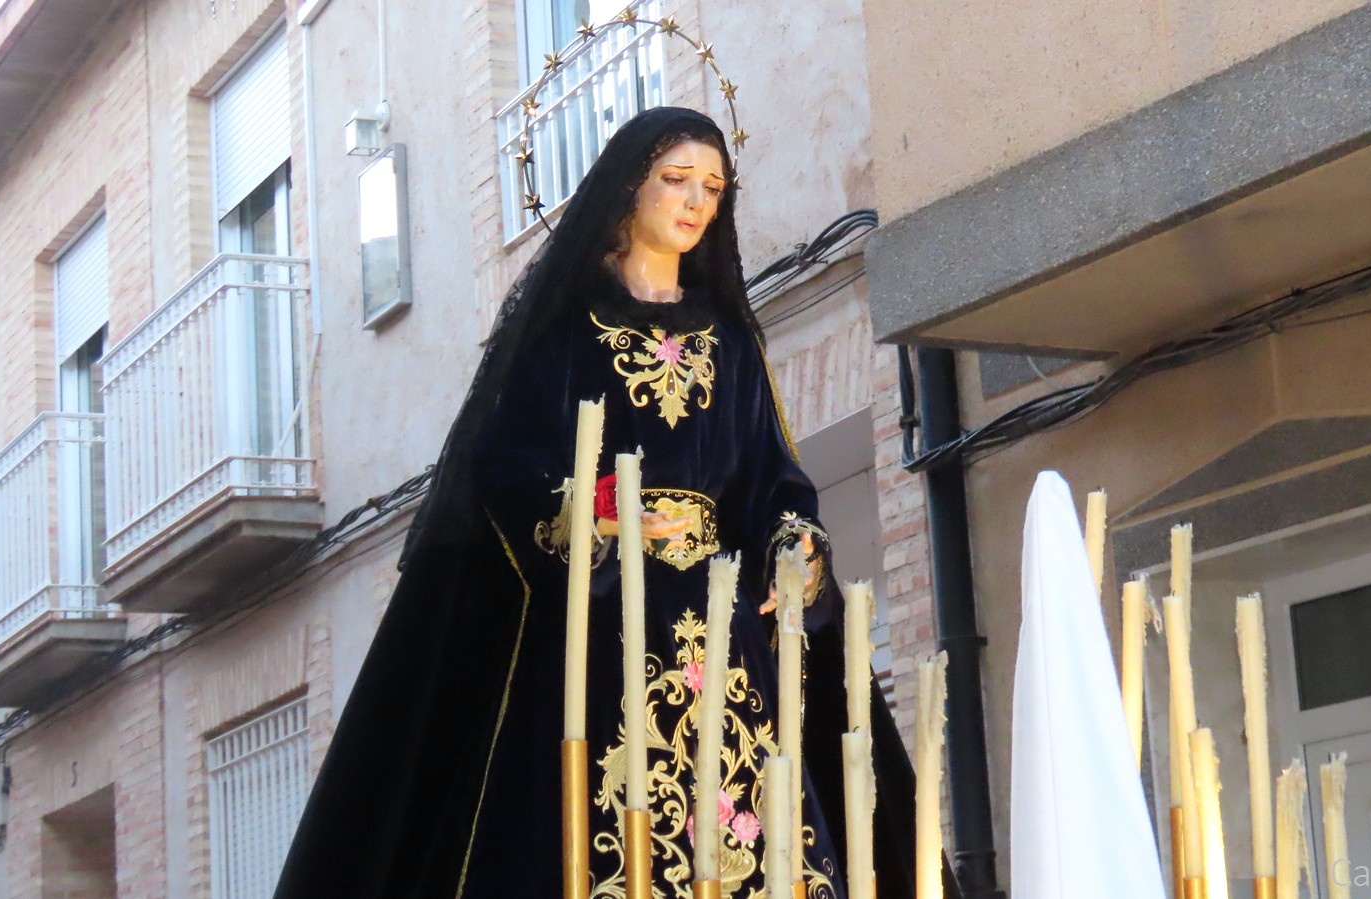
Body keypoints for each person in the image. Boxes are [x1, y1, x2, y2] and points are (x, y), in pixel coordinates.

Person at [276, 107, 951, 899]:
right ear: (630, 187)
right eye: (677, 179)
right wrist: (590, 515)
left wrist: (792, 542)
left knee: (751, 824)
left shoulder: (731, 342)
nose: (696, 201)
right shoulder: (568, 331)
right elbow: (503, 464)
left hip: (719, 626)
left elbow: (773, 480)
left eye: (712, 188)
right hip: (600, 618)